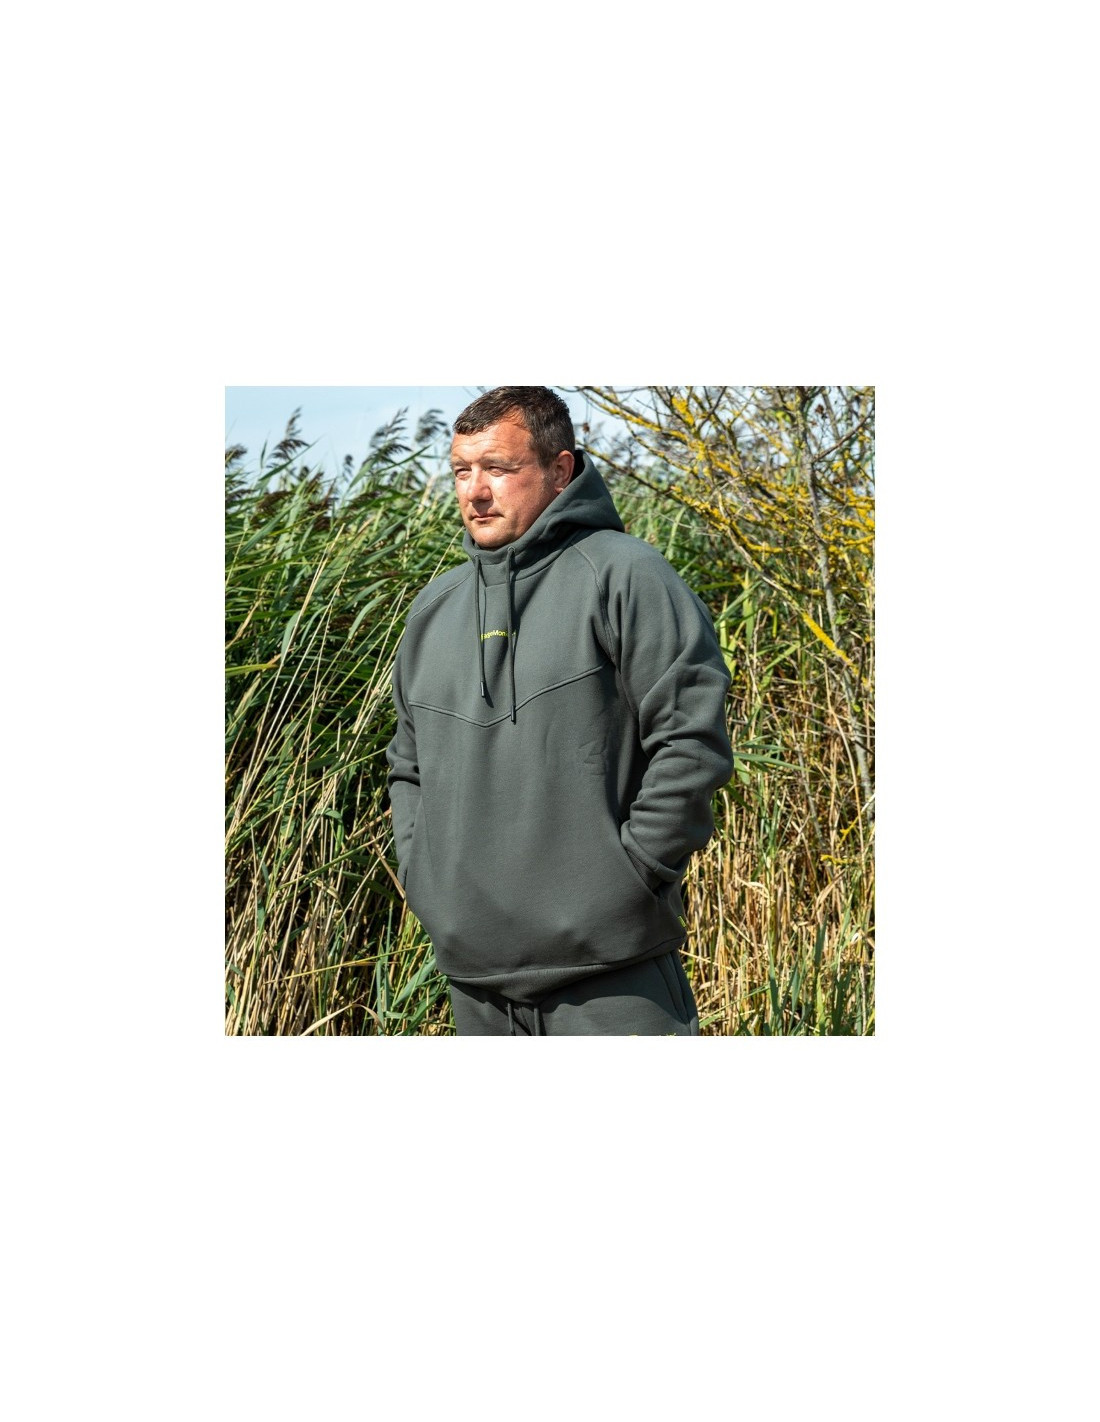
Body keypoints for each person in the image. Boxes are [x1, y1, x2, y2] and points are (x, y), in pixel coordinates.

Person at [385, 387, 733, 1035]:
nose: (475, 491)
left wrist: (630, 879)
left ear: (560, 470)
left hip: (612, 977)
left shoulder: (626, 576)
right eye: (462, 470)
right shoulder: (434, 610)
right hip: (474, 985)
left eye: (499, 468)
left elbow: (690, 742)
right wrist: (424, 879)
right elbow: (408, 767)